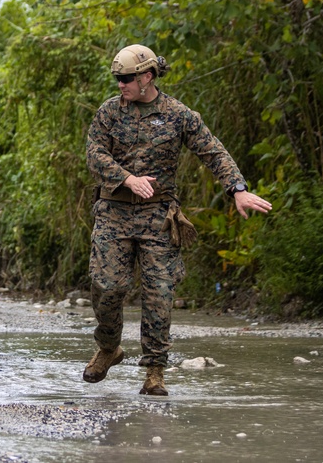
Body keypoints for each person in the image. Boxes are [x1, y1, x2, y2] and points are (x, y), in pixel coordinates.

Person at [84, 44, 272, 396]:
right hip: (114, 212)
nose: (120, 85)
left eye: (126, 79)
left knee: (159, 294)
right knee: (107, 287)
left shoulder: (179, 115)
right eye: (117, 79)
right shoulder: (109, 112)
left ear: (147, 77)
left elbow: (212, 150)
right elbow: (94, 154)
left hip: (159, 216)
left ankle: (155, 371)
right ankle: (109, 348)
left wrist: (237, 189)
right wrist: (126, 178)